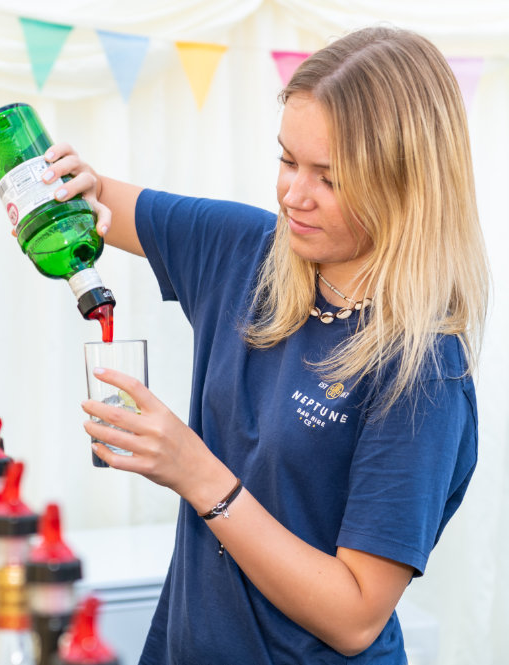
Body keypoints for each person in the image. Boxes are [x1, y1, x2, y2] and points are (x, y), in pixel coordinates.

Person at [29, 26, 490, 663]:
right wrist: (56, 186)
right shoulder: (245, 252)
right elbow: (98, 198)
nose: (293, 195)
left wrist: (196, 473)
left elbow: (355, 616)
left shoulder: (422, 371)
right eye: (287, 160)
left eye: (330, 177)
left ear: (406, 185)